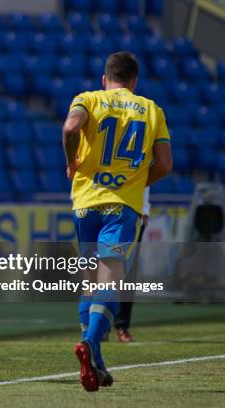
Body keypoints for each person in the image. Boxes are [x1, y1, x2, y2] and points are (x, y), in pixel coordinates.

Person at [62, 51, 172, 392]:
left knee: (90, 279)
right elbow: (165, 164)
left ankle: (96, 361)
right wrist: (135, 182)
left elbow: (70, 127)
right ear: (135, 81)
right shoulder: (151, 109)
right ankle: (91, 344)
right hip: (121, 206)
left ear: (104, 78)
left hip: (85, 203)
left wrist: (71, 162)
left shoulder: (88, 99)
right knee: (112, 278)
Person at [114, 186, 150, 342]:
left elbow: (146, 176)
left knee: (128, 273)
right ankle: (100, 326)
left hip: (133, 212)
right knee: (102, 271)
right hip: (104, 209)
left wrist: (145, 208)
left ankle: (122, 326)